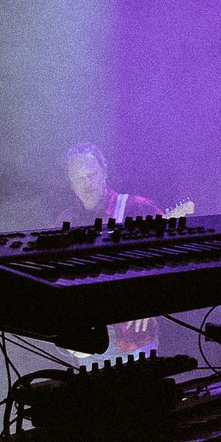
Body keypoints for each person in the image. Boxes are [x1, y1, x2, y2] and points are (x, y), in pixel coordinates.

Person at [55, 142, 159, 355]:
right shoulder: (65, 222)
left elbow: (172, 258)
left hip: (132, 336)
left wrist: (149, 299)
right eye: (79, 178)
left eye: (92, 174)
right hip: (86, 339)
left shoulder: (136, 208)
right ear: (71, 183)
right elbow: (56, 279)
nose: (87, 183)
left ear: (104, 173)